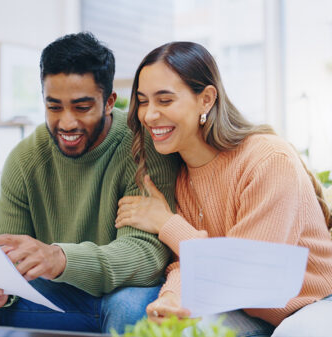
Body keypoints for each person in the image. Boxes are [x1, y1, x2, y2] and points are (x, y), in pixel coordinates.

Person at [0, 32, 181, 336]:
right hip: (58, 296)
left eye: (82, 107)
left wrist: (61, 258)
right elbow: (6, 256)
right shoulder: (25, 159)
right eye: (54, 107)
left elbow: (145, 257)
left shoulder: (141, 147)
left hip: (122, 293)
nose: (67, 123)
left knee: (128, 308)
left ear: (108, 102)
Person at [115, 41, 332, 337]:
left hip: (314, 303)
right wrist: (171, 299)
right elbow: (186, 263)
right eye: (142, 101)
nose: (149, 115)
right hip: (244, 308)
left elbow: (247, 272)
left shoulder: (268, 160)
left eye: (164, 101)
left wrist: (167, 223)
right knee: (170, 331)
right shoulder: (179, 174)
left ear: (206, 99)